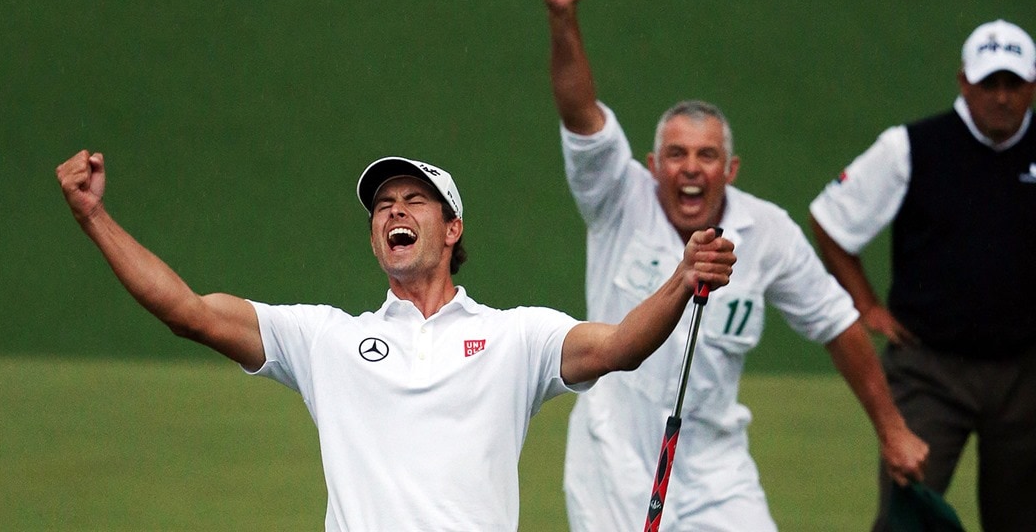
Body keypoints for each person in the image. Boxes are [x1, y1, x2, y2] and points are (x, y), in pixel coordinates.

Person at [55, 150, 736, 531]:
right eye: (383, 205)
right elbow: (188, 312)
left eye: (413, 200)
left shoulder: (517, 337)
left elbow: (618, 347)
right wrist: (95, 219)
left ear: (453, 227)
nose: (395, 211)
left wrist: (683, 280)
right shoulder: (325, 340)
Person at [539, 0, 928, 531]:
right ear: (652, 165)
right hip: (613, 462)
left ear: (731, 168)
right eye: (675, 154)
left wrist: (891, 428)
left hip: (718, 469)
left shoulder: (767, 232)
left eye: (706, 155)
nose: (690, 169)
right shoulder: (617, 197)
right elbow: (580, 113)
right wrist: (562, 18)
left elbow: (836, 323)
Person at [809, 19, 1036, 531]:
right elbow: (831, 219)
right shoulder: (910, 147)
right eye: (989, 83)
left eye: (1014, 84)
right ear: (963, 82)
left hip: (1026, 372)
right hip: (930, 371)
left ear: (1032, 86)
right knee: (905, 514)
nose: (1001, 98)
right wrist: (866, 305)